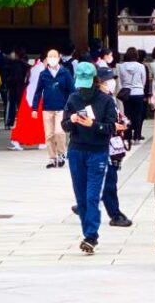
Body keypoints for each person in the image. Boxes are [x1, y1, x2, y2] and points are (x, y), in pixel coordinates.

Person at [62, 63, 118, 254]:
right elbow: (65, 125)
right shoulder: (73, 98)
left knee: (92, 195)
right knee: (81, 196)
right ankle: (88, 232)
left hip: (97, 151)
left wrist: (93, 124)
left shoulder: (106, 100)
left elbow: (111, 128)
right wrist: (73, 120)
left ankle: (91, 236)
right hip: (77, 151)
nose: (83, 89)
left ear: (95, 81)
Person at [33, 48, 76, 168]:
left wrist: (73, 106)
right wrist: (34, 108)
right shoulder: (43, 74)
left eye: (54, 56)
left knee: (59, 131)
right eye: (49, 57)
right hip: (47, 108)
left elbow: (72, 90)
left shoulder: (65, 73)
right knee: (49, 134)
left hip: (61, 108)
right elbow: (38, 92)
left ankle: (61, 153)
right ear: (46, 59)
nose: (52, 59)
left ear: (59, 58)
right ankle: (52, 157)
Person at [11, 55, 47, 150]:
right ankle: (17, 139)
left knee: (32, 121)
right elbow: (36, 84)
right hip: (33, 97)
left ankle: (40, 140)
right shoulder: (39, 69)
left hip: (32, 96)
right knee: (30, 121)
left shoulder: (39, 67)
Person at [118, 47, 149, 142]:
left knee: (127, 114)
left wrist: (126, 86)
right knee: (138, 115)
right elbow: (143, 80)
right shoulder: (141, 66)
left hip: (126, 93)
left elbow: (121, 80)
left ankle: (127, 135)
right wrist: (140, 87)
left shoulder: (121, 66)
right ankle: (137, 136)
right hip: (138, 92)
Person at [3, 47, 29, 130]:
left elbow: (8, 77)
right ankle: (23, 123)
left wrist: (7, 83)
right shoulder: (25, 64)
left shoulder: (11, 64)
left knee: (11, 106)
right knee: (21, 107)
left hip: (13, 89)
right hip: (21, 88)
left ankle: (9, 122)